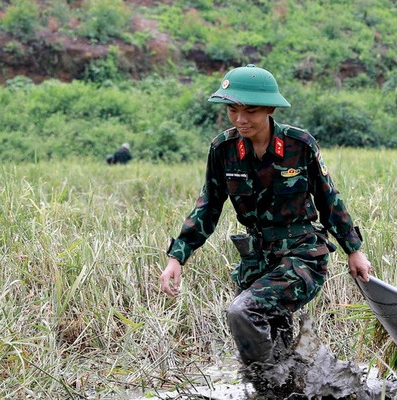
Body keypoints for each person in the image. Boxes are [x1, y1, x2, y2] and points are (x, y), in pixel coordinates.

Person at [158, 64, 372, 372]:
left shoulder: (299, 145)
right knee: (271, 341)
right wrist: (176, 258)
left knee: (242, 312)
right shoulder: (223, 149)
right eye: (233, 110)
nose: (240, 120)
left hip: (302, 255)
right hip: (257, 260)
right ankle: (290, 388)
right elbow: (208, 206)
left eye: (251, 111)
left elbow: (329, 199)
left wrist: (354, 250)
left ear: (270, 109)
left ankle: (269, 384)